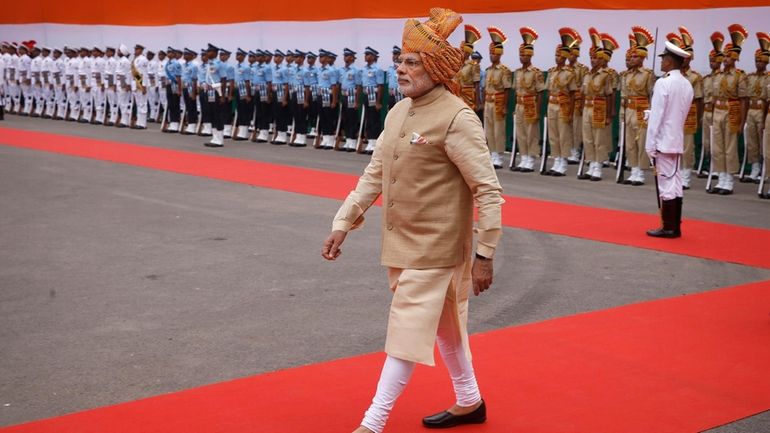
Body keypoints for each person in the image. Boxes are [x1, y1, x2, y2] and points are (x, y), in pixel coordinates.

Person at [321, 8, 503, 433]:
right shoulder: (399, 112)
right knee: (446, 329)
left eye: (412, 62)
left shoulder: (457, 118)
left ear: (436, 68)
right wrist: (342, 222)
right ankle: (470, 401)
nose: (400, 68)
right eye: (400, 60)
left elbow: (488, 190)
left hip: (437, 248)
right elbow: (374, 174)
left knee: (405, 330)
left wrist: (485, 254)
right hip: (402, 244)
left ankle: (372, 422)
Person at [645, 39, 694, 238]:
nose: (662, 61)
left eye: (664, 58)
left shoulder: (663, 83)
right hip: (676, 140)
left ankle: (668, 227)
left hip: (663, 141)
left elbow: (657, 118)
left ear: (670, 61)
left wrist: (650, 145)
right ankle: (675, 225)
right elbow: (677, 113)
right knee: (675, 183)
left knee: (665, 184)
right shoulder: (687, 84)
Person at [707, 24, 749, 195]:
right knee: (718, 146)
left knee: (730, 147)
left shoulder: (740, 76)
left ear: (735, 58)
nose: (725, 59)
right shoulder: (717, 76)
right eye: (724, 56)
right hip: (718, 111)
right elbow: (715, 96)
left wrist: (742, 121)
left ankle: (729, 181)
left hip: (732, 111)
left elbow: (744, 100)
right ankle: (721, 178)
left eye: (729, 57)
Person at [579, 28, 619, 181]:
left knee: (599, 138)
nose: (593, 60)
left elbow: (609, 95)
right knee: (588, 138)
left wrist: (609, 114)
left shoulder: (606, 75)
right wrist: (583, 109)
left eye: (596, 58)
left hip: (600, 108)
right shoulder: (587, 74)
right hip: (588, 108)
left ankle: (598, 166)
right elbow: (583, 93)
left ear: (602, 59)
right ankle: (591, 165)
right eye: (591, 57)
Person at [620, 26, 655, 186]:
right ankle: (633, 169)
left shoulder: (648, 74)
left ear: (642, 58)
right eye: (631, 57)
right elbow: (624, 97)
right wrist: (622, 114)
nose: (632, 59)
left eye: (635, 57)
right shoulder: (626, 75)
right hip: (629, 111)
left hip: (641, 112)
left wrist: (651, 114)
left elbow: (651, 96)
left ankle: (640, 171)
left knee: (641, 142)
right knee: (630, 143)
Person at [672, 28, 704, 189]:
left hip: (689, 114)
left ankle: (686, 174)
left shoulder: (695, 77)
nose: (682, 60)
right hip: (674, 114)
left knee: (687, 146)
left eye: (684, 57)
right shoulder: (672, 75)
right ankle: (675, 172)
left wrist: (697, 119)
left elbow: (698, 100)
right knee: (674, 144)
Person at [545, 29, 579, 176]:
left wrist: (570, 111)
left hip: (563, 105)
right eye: (555, 55)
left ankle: (563, 162)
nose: (557, 58)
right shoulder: (551, 72)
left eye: (559, 55)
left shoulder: (569, 73)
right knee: (553, 134)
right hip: (552, 105)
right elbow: (548, 90)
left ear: (565, 56)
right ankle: (556, 159)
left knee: (563, 134)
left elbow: (572, 94)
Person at [512, 27, 546, 173]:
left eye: (524, 55)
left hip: (531, 104)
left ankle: (530, 158)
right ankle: (523, 156)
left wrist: (538, 110)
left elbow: (540, 93)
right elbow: (515, 91)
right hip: (520, 105)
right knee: (520, 132)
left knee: (531, 132)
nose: (522, 58)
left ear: (530, 56)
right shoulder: (518, 72)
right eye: (520, 55)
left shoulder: (536, 72)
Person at [484, 26, 512, 169]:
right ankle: (490, 153)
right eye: (490, 53)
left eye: (494, 53)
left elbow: (507, 89)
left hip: (498, 101)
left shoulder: (504, 70)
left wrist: (505, 106)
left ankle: (498, 156)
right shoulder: (488, 70)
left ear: (499, 54)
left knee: (498, 130)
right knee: (488, 130)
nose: (491, 56)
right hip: (488, 102)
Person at [743, 33, 769, 182]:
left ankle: (765, 168)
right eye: (756, 61)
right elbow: (746, 98)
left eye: (761, 61)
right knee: (752, 140)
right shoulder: (750, 77)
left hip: (762, 111)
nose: (758, 63)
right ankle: (755, 167)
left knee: (763, 141)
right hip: (751, 111)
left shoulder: (768, 77)